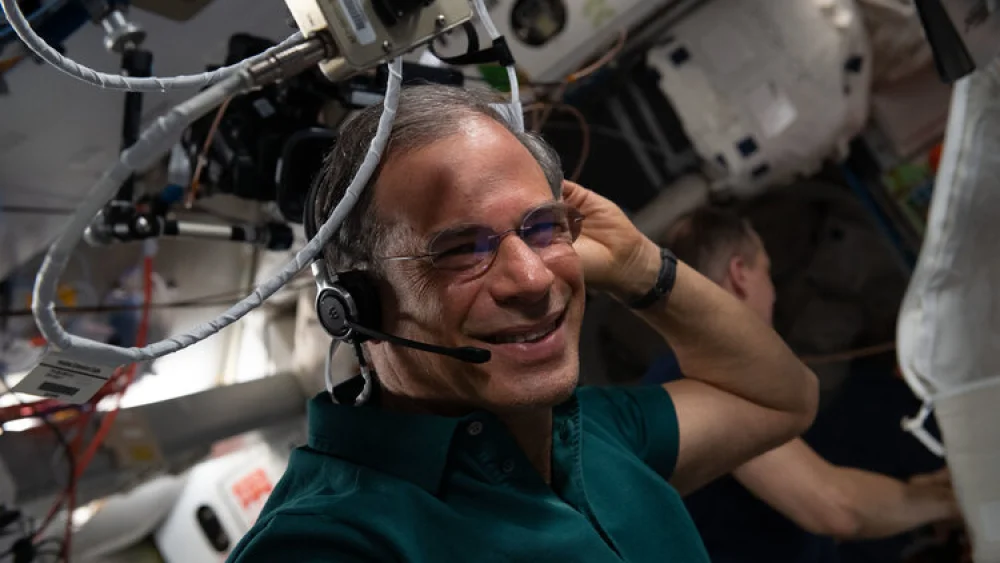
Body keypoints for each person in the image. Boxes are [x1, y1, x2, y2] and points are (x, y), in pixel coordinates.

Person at [227, 85, 820, 562]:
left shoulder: (587, 433)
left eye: (542, 227)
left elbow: (782, 398)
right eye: (461, 248)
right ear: (356, 305)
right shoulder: (328, 541)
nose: (533, 280)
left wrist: (639, 265)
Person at [642, 206, 960, 563]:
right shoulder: (703, 381)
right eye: (768, 272)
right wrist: (951, 502)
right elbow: (834, 506)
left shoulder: (687, 378)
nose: (774, 294)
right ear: (740, 275)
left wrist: (921, 494)